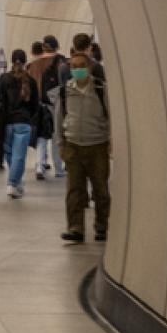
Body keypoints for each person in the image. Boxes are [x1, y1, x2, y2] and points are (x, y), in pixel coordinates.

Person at [59, 50, 113, 243]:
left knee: (100, 189)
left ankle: (102, 226)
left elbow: (111, 117)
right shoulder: (65, 91)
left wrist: (111, 142)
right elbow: (60, 119)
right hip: (73, 145)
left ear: (90, 67)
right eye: (74, 67)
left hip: (97, 145)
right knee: (74, 190)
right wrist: (61, 144)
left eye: (81, 66)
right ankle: (75, 228)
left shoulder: (101, 89)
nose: (78, 70)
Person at [0, 49, 43, 199]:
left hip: (7, 123)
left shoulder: (3, 79)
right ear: (25, 61)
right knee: (19, 156)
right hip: (23, 123)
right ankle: (13, 183)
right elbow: (36, 104)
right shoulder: (31, 81)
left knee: (10, 154)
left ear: (11, 60)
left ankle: (16, 182)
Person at [25, 36, 65, 179]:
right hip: (54, 104)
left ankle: (40, 166)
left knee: (41, 136)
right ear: (57, 46)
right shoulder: (61, 62)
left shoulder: (32, 65)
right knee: (56, 136)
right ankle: (59, 168)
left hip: (37, 105)